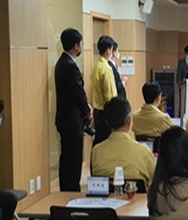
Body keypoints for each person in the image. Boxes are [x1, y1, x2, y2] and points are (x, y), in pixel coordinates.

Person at [54, 28, 92, 192]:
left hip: (66, 119)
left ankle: (67, 190)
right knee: (73, 160)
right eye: (82, 43)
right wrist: (87, 110)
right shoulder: (69, 66)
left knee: (67, 158)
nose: (82, 47)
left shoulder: (62, 63)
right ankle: (71, 192)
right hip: (71, 121)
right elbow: (77, 93)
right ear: (76, 45)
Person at [92, 97, 156, 188]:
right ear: (129, 121)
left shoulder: (96, 152)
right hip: (138, 201)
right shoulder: (144, 152)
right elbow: (155, 181)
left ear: (107, 121)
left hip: (106, 200)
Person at [91, 35, 118, 146]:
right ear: (108, 50)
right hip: (106, 112)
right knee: (107, 144)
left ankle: (95, 163)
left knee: (98, 141)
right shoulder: (106, 68)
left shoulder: (96, 66)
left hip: (97, 110)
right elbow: (110, 96)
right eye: (112, 49)